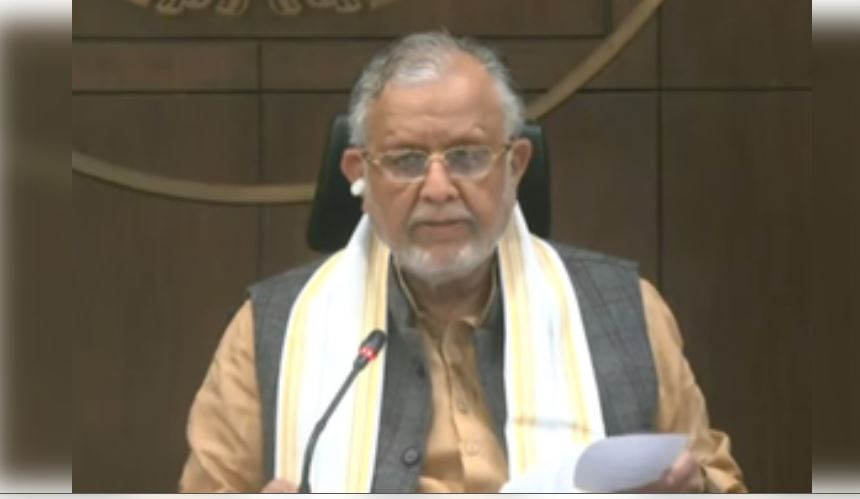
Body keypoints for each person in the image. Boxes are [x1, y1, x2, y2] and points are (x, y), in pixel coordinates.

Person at [179, 31, 745, 493]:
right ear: (359, 175)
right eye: (405, 160)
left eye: (468, 156)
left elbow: (718, 478)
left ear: (515, 166)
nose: (438, 188)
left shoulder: (625, 311)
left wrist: (693, 490)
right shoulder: (272, 329)